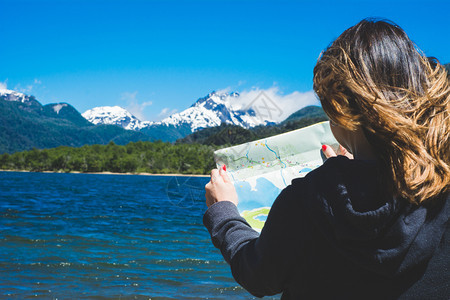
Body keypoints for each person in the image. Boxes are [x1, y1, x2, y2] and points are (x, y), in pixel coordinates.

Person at [203, 19, 449, 299]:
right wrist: (346, 176)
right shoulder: (442, 191)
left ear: (341, 110)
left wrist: (223, 212)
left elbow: (259, 276)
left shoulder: (307, 198)